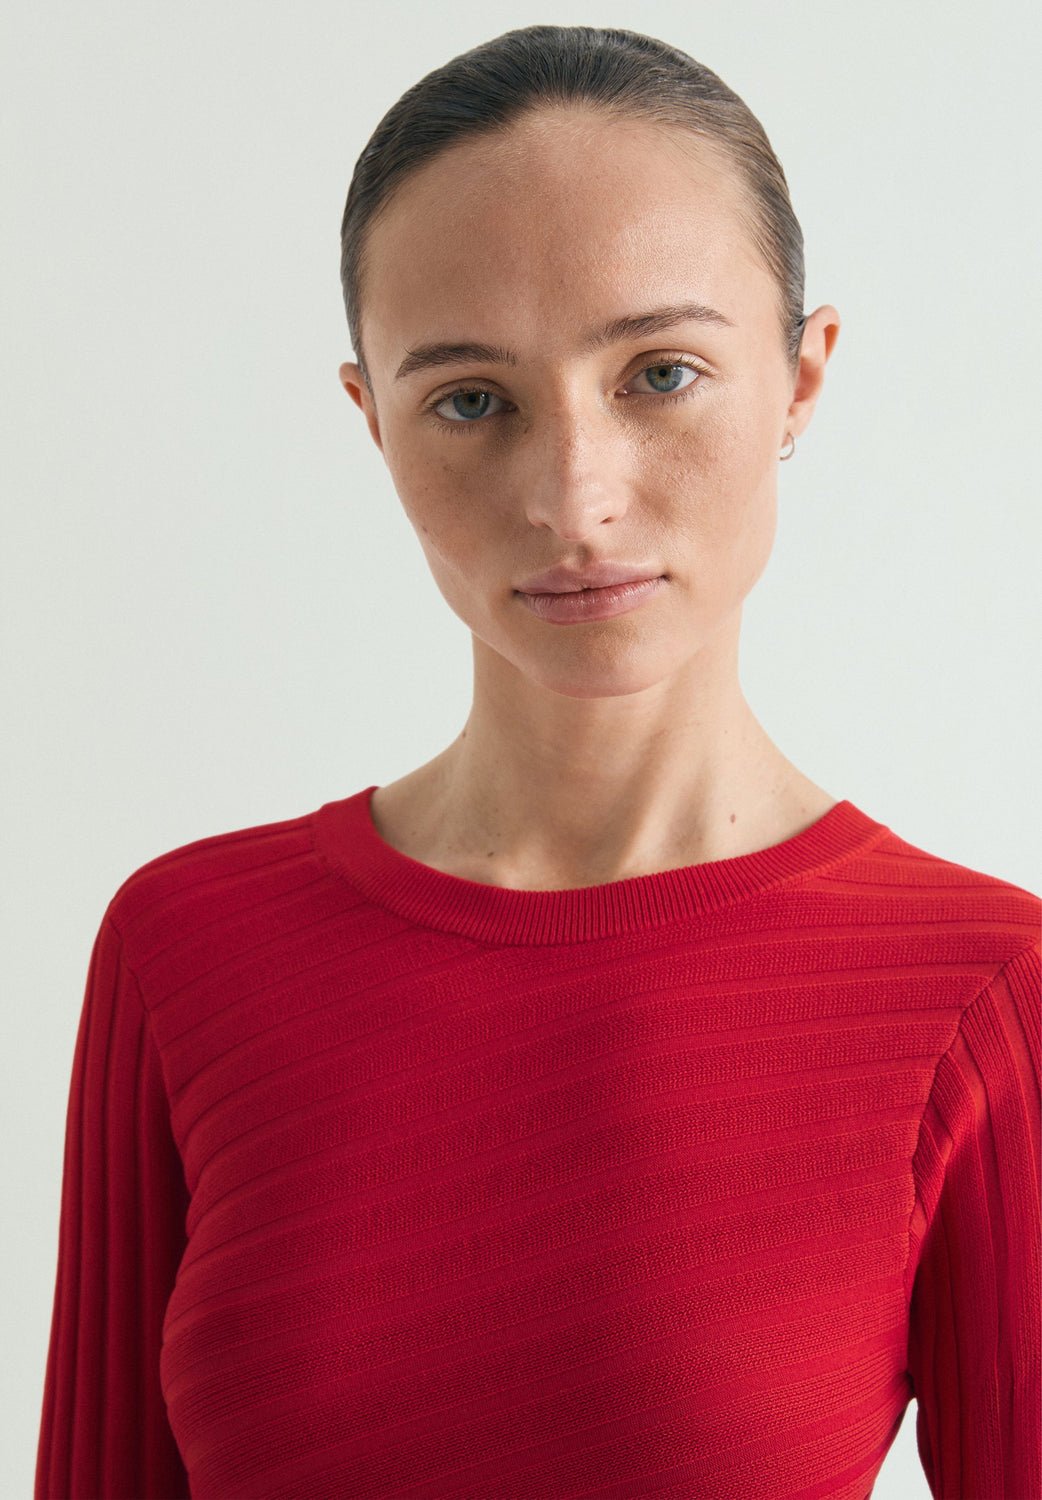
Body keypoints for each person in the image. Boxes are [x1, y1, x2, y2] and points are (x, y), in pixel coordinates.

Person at [35, 24, 1040, 1500]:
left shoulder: (984, 991)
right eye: (469, 400)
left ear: (800, 379)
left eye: (661, 374)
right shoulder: (186, 949)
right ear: (373, 420)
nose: (574, 498)